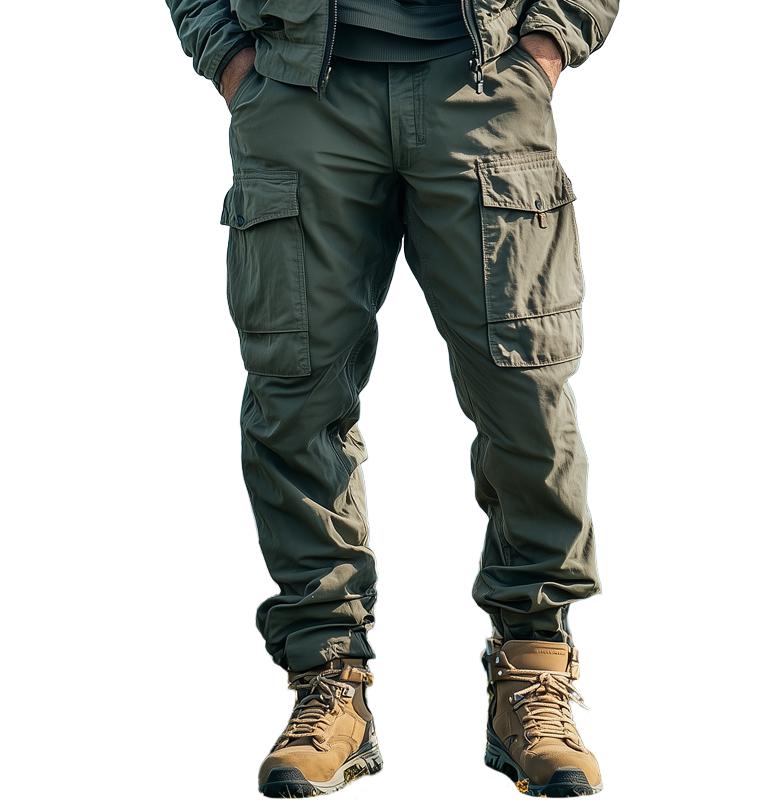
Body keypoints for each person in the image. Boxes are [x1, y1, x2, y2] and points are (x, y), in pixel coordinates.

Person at [165, 1, 619, 796]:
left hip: (482, 82)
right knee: (295, 395)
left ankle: (533, 671)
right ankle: (328, 682)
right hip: (299, 90)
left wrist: (548, 45)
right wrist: (232, 61)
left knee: (525, 391)